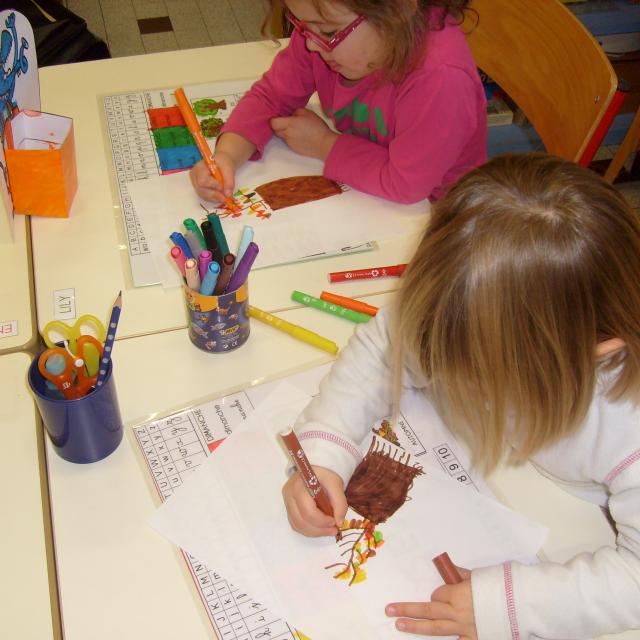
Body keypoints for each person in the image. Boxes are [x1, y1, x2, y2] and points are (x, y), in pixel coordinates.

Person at [282, 153, 640, 639]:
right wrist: (324, 454)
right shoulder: (466, 305)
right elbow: (383, 349)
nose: (446, 370)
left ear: (599, 349)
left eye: (482, 370)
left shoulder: (627, 420)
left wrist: (509, 606)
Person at [190, 0, 486, 205]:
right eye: (302, 26)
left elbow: (406, 184)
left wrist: (324, 144)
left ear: (397, 11)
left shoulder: (440, 77)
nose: (308, 43)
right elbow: (271, 96)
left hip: (439, 215)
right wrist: (227, 156)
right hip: (369, 195)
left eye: (328, 32)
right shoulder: (324, 34)